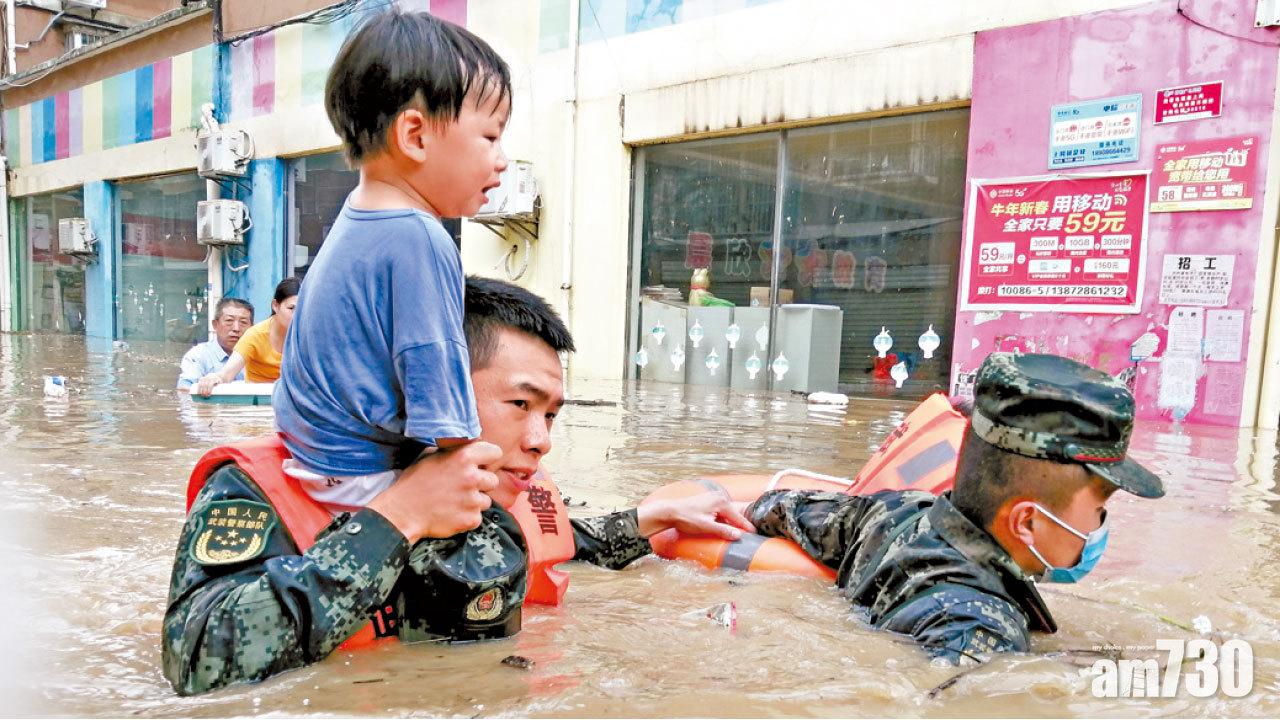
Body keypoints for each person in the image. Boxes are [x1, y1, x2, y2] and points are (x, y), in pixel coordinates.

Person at [162, 277, 751, 695]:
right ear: (431, 388)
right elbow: (196, 659)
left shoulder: (499, 486)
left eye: (551, 415)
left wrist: (652, 519)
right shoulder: (263, 487)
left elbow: (561, 541)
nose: (541, 439)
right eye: (521, 404)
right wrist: (396, 519)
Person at [743, 352, 1165, 664]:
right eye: (1099, 508)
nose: (1100, 527)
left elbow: (780, 508)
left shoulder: (894, 512)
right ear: (1027, 522)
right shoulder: (980, 632)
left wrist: (743, 507)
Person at [271, 8, 510, 515]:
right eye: (490, 136)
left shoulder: (357, 218)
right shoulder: (418, 235)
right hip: (362, 477)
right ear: (415, 136)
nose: (502, 158)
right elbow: (437, 385)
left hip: (313, 460)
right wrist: (483, 464)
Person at [195, 278, 299, 395]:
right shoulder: (255, 335)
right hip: (257, 403)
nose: (297, 315)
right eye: (291, 308)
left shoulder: (311, 337)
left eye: (302, 308)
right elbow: (227, 374)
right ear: (275, 306)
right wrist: (214, 378)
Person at [176, 298, 253, 391]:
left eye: (243, 322)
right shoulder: (198, 355)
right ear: (215, 325)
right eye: (229, 321)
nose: (236, 328)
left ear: (252, 328)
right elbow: (184, 389)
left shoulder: (259, 354)